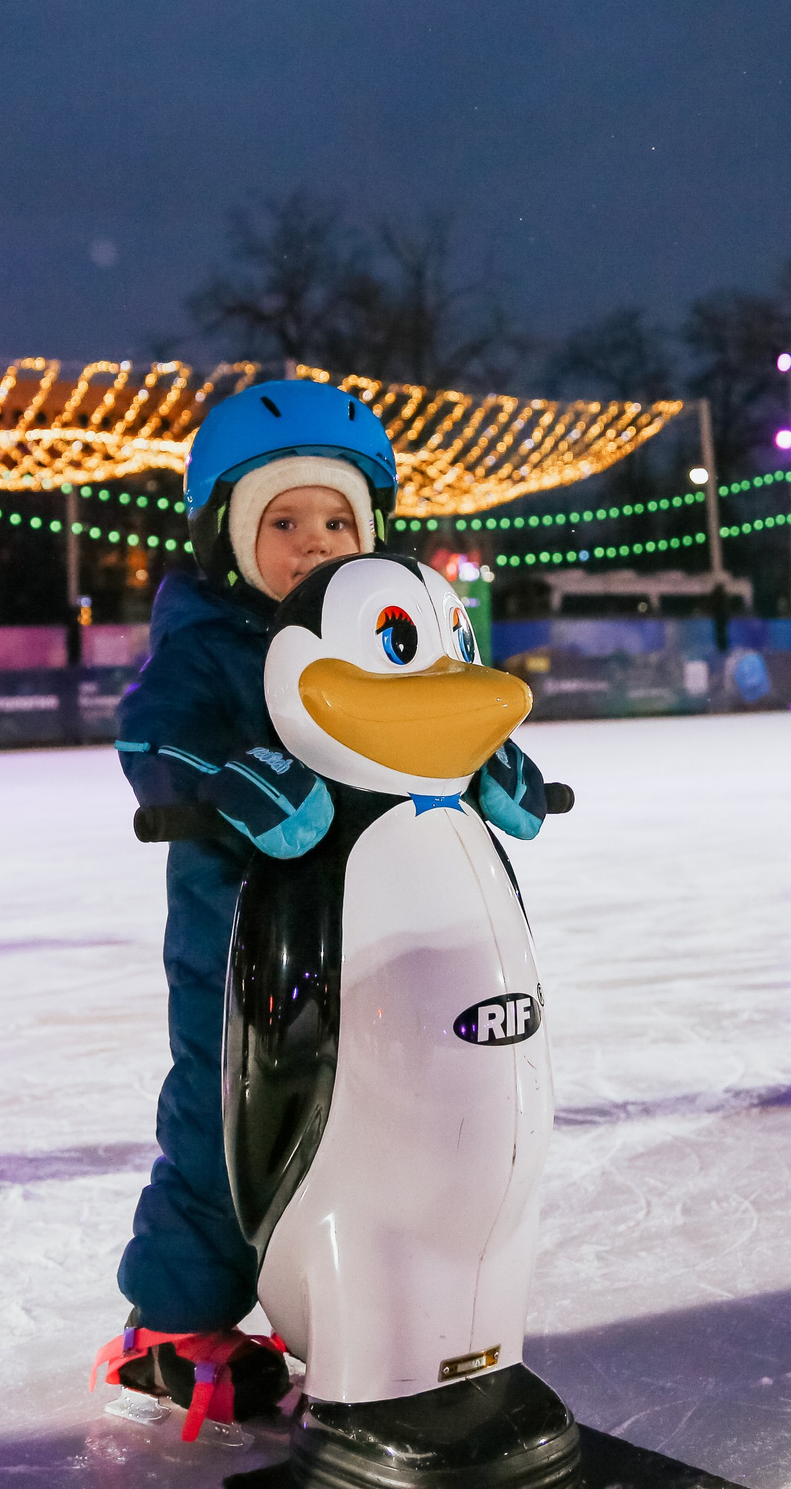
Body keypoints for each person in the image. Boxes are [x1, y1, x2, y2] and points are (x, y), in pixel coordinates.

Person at [92, 380, 551, 1426]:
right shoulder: (210, 639)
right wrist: (221, 776)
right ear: (226, 537)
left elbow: (449, 707)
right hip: (247, 938)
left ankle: (414, 1299)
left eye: (336, 519)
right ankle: (169, 1322)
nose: (313, 544)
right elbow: (149, 738)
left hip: (391, 939)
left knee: (414, 1115)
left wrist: (493, 767)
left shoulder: (391, 623)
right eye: (283, 522)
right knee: (228, 1120)